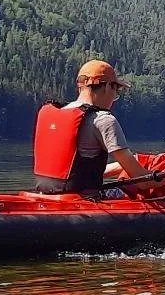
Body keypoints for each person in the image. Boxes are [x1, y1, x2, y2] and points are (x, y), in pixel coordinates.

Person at [33, 59, 157, 196]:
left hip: (46, 195)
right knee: (156, 180)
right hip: (83, 199)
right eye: (115, 92)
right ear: (109, 86)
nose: (114, 99)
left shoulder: (53, 113)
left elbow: (74, 170)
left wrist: (121, 166)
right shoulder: (103, 119)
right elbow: (144, 182)